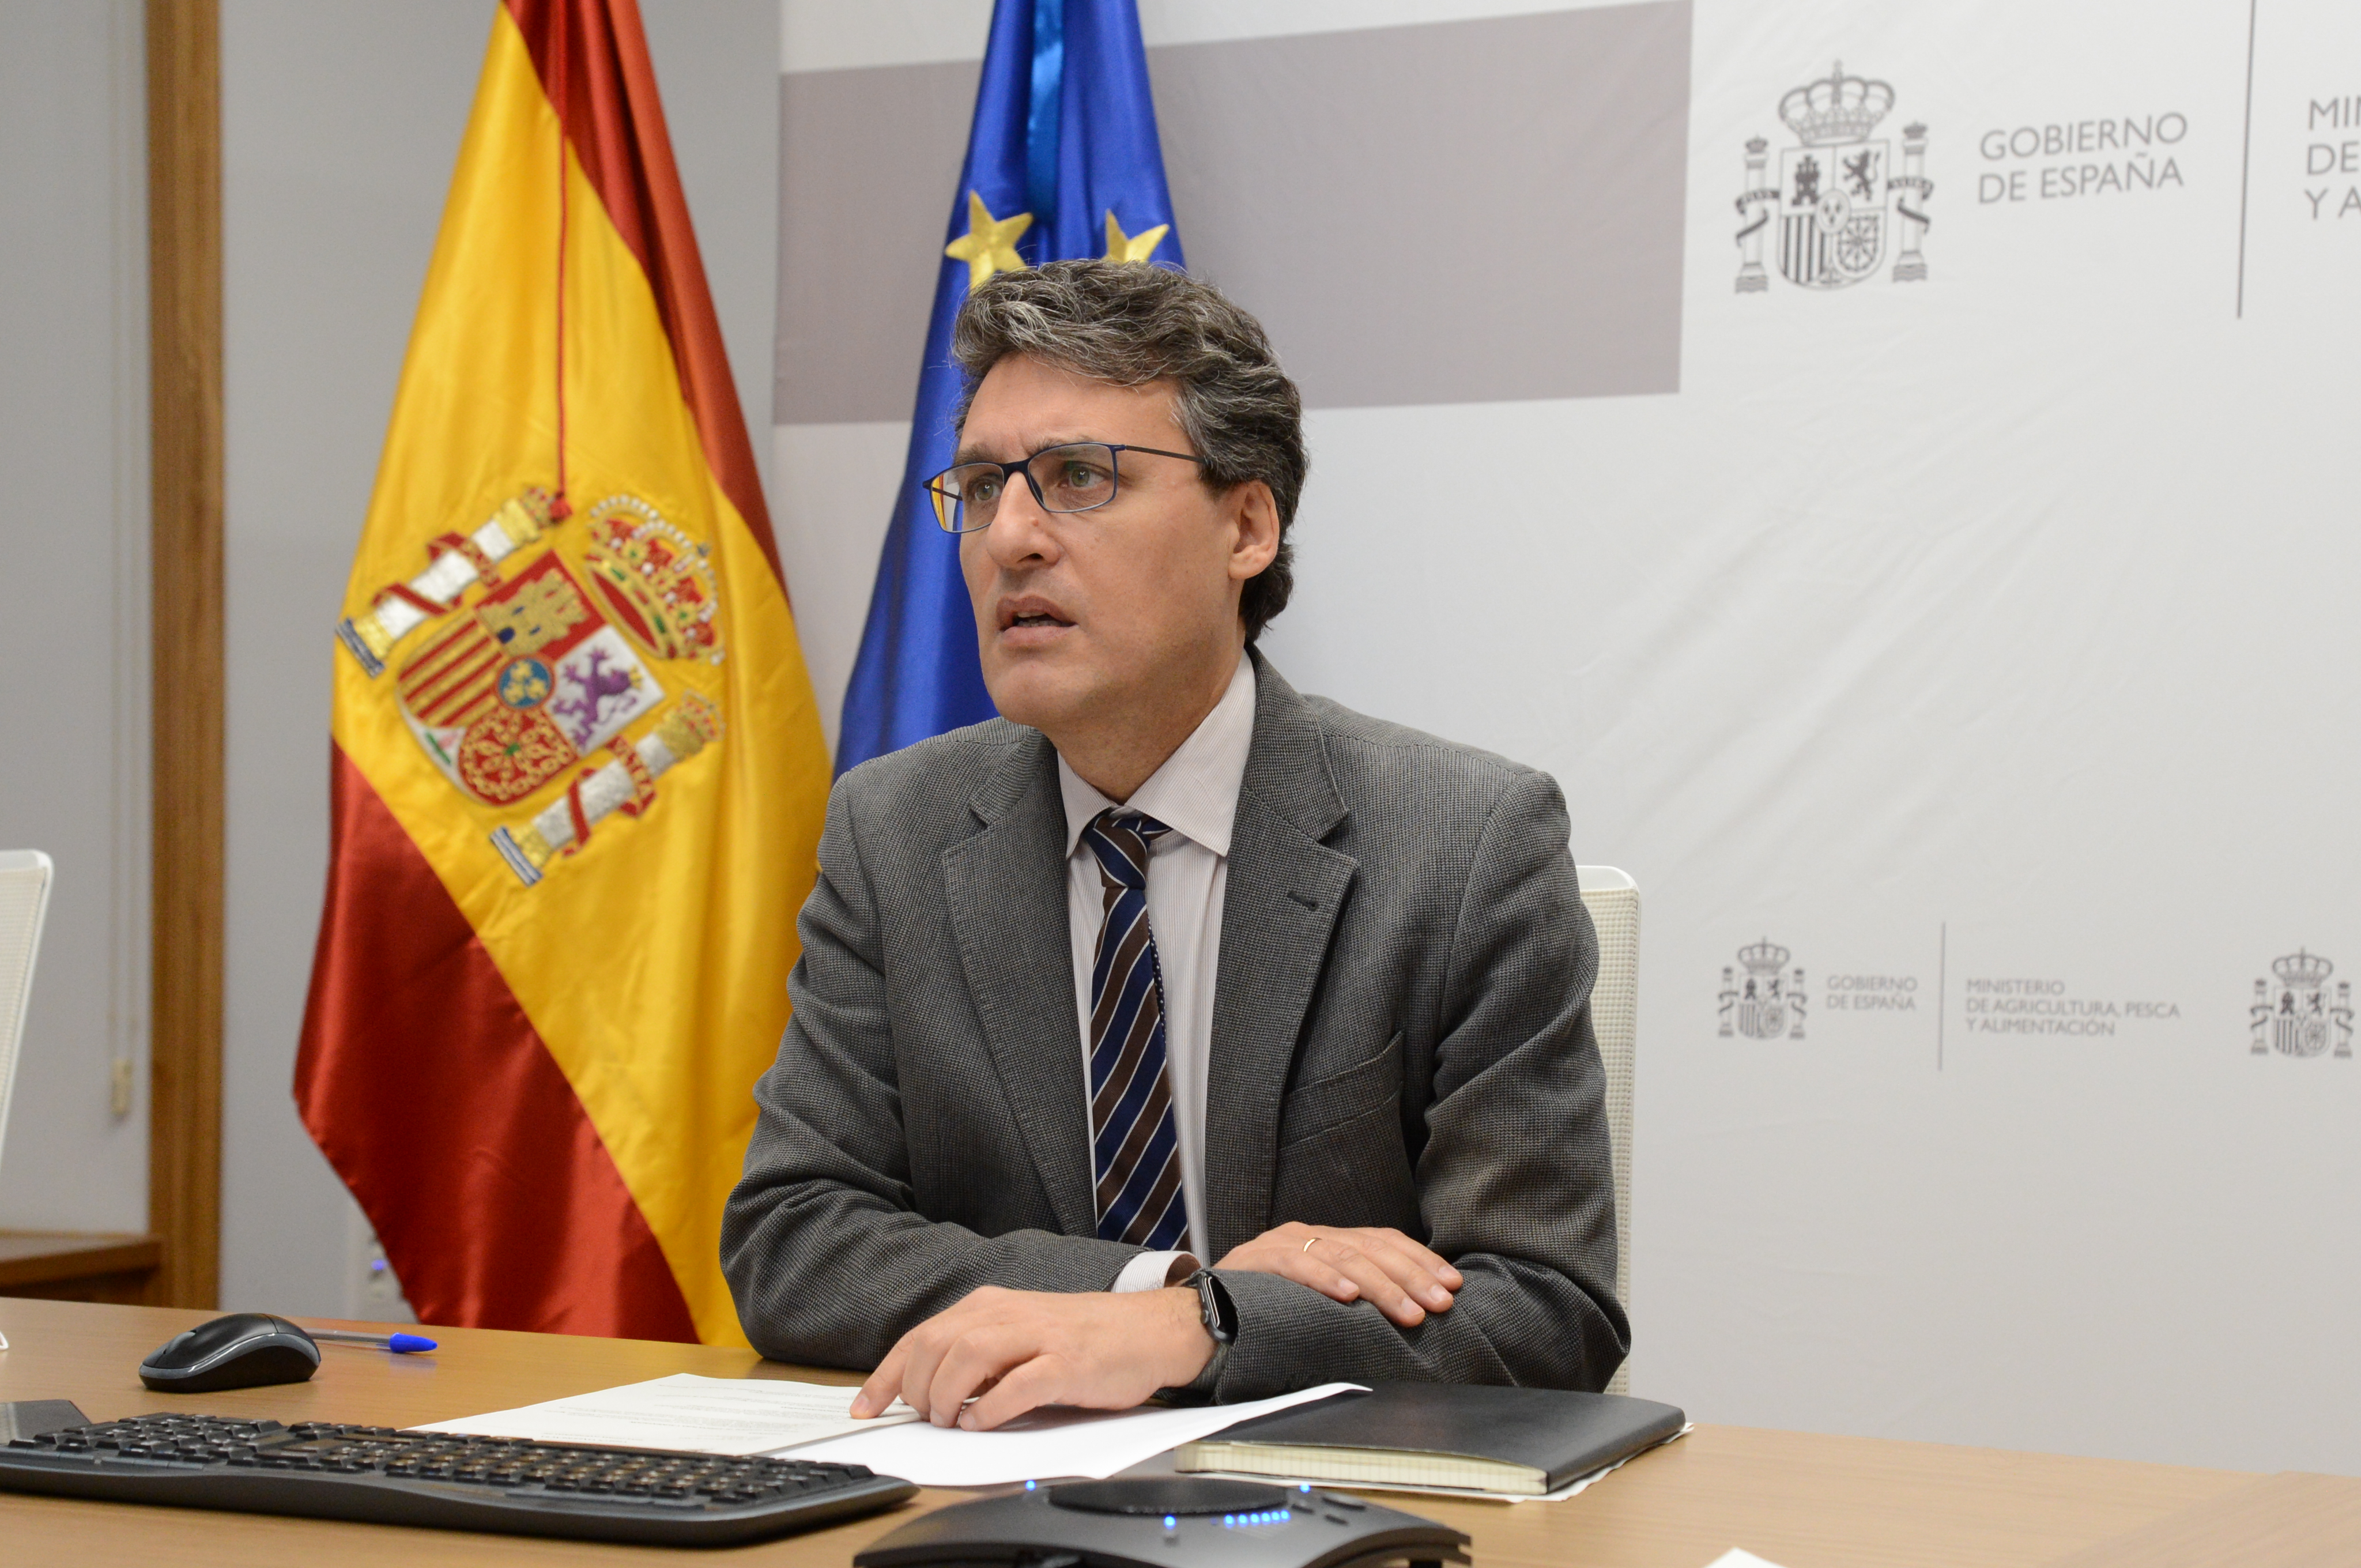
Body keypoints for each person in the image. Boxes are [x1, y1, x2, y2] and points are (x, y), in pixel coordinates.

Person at [722, 259, 1623, 1430]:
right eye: (984, 486)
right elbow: (793, 1239)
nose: (1011, 537)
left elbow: (1546, 1310)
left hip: (1316, 1499)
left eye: (1078, 478)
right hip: (990, 1483)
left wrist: (1203, 1335)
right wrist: (1159, 1295)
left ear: (1246, 526)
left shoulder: (1461, 843)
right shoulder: (895, 831)